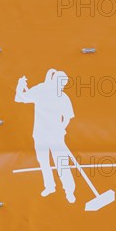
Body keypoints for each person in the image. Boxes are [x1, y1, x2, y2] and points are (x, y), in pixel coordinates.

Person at [15, 69, 76, 201]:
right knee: (43, 161)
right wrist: (20, 86)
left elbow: (68, 117)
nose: (63, 86)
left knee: (61, 163)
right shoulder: (41, 90)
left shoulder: (64, 97)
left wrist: (62, 127)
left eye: (64, 84)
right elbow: (19, 98)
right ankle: (50, 186)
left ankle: (69, 191)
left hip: (56, 136)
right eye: (62, 83)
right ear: (55, 81)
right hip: (40, 134)